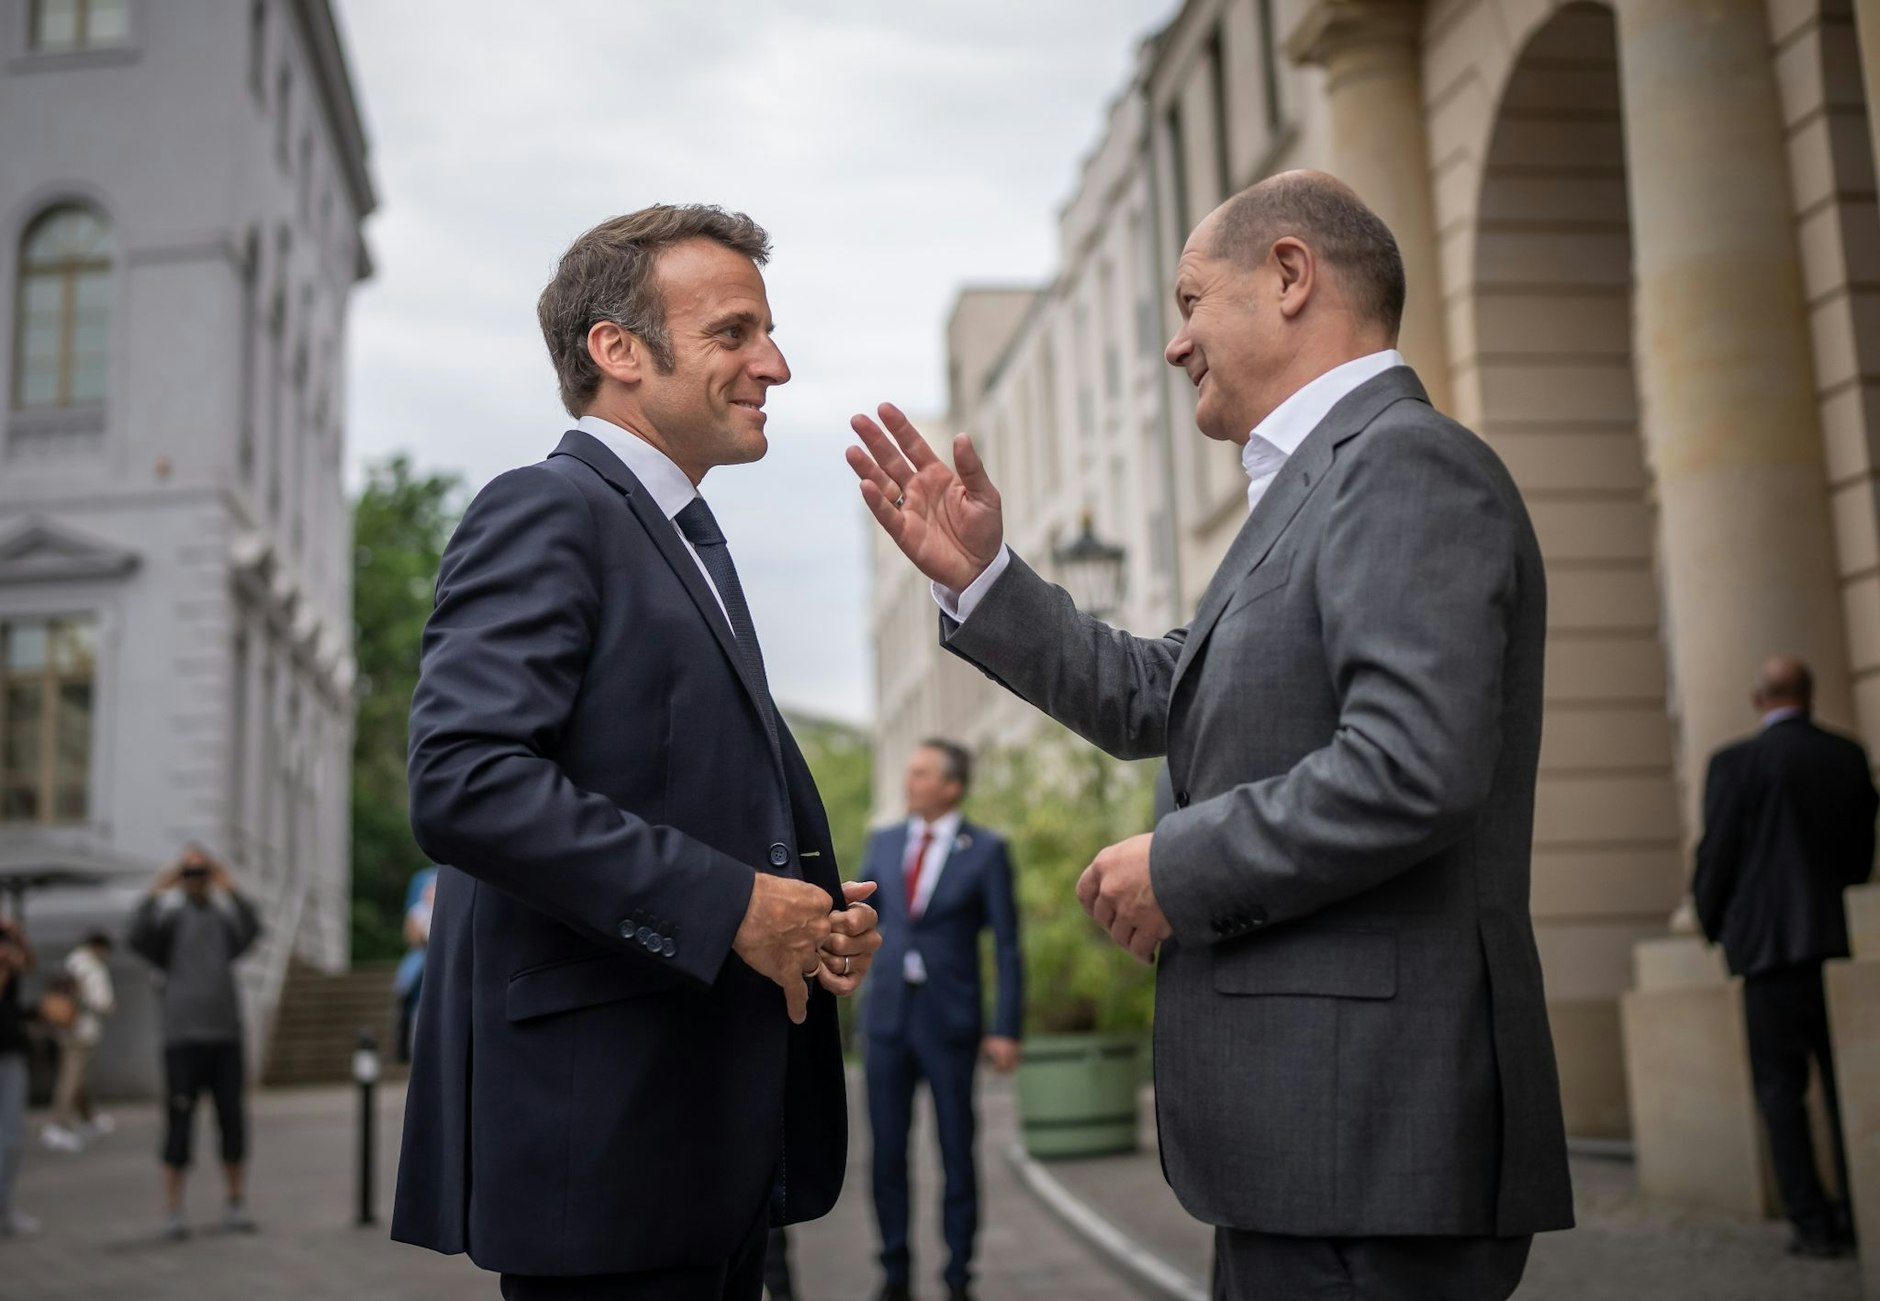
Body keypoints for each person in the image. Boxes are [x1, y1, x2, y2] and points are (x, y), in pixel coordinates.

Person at [849, 170, 1574, 1300]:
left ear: (1289, 275)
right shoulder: (1318, 489)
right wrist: (981, 580)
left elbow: (1411, 765)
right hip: (1314, 1146)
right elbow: (1159, 694)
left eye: (1188, 301)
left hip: (1372, 1138)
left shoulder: (1404, 465)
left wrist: (1179, 866)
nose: (1175, 344)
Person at [392, 204, 882, 1301]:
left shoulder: (676, 533)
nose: (775, 363)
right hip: (609, 1151)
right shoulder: (548, 508)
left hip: (702, 1147)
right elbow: (463, 778)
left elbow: (670, 791)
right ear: (616, 351)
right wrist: (732, 909)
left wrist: (803, 914)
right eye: (734, 333)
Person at [1693, 655, 1878, 1258]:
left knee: (1781, 1093)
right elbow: (1859, 854)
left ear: (1758, 699)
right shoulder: (1846, 756)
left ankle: (1813, 1223)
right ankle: (1861, 1212)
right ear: (1811, 693)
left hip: (1770, 952)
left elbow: (1716, 854)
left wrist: (1713, 922)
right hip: (1840, 944)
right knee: (1849, 1088)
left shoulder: (1734, 764)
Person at [859, 740, 1021, 1301]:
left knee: (956, 1152)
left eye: (922, 773)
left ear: (952, 786)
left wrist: (1005, 1027)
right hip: (886, 1022)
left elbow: (1006, 946)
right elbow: (859, 920)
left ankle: (958, 1279)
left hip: (949, 1024)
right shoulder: (882, 843)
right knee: (885, 1155)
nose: (910, 782)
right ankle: (895, 1273)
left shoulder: (987, 850)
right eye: (909, 772)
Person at [126, 846, 262, 1240]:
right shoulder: (168, 922)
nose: (197, 880)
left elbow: (253, 929)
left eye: (202, 873)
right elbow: (136, 936)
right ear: (179, 877)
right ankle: (173, 1210)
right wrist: (157, 889)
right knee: (178, 1124)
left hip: (225, 1037)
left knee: (232, 1121)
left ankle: (236, 1203)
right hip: (183, 1038)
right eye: (190, 873)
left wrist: (231, 887)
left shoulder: (223, 921)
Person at [42, 932, 116, 1152]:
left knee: (79, 1078)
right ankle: (57, 1124)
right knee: (71, 1078)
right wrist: (105, 1006)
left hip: (68, 1028)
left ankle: (88, 1119)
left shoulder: (72, 962)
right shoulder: (90, 967)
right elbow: (101, 1001)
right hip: (82, 1030)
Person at [0, 918, 37, 1237]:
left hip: (10, 1049)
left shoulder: (8, 940)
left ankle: (6, 1208)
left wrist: (16, 936)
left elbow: (29, 966)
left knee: (11, 1138)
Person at [393, 868, 438, 1064]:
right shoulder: (420, 879)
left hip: (444, 951)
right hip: (422, 953)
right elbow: (410, 929)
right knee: (405, 988)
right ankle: (403, 1048)